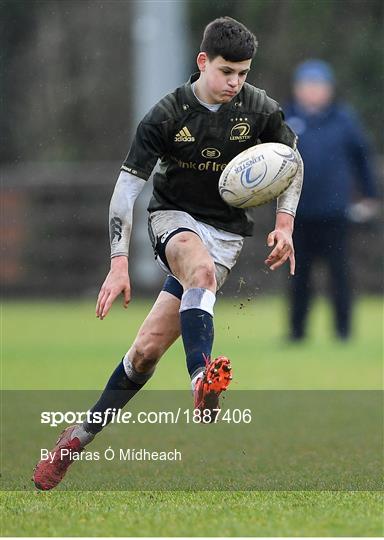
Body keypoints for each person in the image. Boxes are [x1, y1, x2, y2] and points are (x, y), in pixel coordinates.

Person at [33, 17, 303, 490]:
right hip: (173, 219)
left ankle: (74, 439)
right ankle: (202, 377)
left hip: (226, 234)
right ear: (203, 62)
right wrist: (119, 263)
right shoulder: (166, 114)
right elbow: (124, 192)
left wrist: (285, 224)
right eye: (226, 72)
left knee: (144, 353)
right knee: (200, 272)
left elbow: (292, 163)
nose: (234, 83)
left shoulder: (259, 109)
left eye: (242, 73)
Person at [285, 60, 377, 341]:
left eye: (319, 85)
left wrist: (372, 196)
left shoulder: (344, 120)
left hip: (335, 214)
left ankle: (343, 332)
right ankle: (297, 333)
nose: (313, 91)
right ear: (297, 89)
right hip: (296, 215)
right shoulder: (285, 119)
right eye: (307, 85)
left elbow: (363, 159)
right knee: (298, 277)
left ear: (329, 89)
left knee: (339, 277)